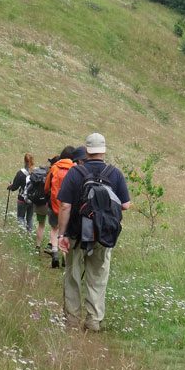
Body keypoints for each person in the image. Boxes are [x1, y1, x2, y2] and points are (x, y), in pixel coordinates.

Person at [57, 133, 131, 332]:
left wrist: (61, 234)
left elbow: (65, 205)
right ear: (104, 150)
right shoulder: (114, 173)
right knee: (97, 277)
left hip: (76, 233)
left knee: (72, 276)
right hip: (102, 235)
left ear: (87, 150)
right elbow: (125, 204)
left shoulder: (75, 172)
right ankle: (93, 320)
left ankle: (72, 319)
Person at [44, 146, 77, 268]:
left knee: (54, 229)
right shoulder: (75, 169)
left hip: (54, 204)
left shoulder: (54, 168)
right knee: (65, 231)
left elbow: (47, 187)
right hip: (68, 206)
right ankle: (64, 255)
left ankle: (54, 251)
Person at [8, 153, 34, 232]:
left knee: (20, 217)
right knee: (29, 218)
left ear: (24, 161)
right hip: (32, 199)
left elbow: (14, 187)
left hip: (22, 199)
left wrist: (10, 187)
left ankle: (22, 234)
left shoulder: (20, 173)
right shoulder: (36, 172)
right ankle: (29, 234)